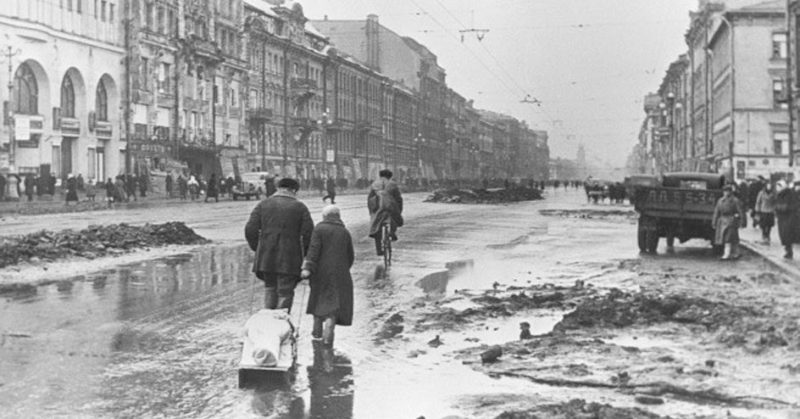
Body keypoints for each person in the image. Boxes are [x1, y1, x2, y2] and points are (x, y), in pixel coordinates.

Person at [245, 177, 313, 311]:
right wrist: (305, 255)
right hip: (289, 258)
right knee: (285, 291)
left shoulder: (263, 204)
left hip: (266, 257)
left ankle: (269, 323)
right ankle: (281, 322)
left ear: (278, 188)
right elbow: (309, 234)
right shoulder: (300, 207)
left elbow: (250, 229)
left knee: (270, 288)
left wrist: (258, 248)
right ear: (293, 190)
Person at [300, 205, 354, 347]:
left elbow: (313, 251)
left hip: (320, 273)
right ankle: (328, 338)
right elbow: (350, 256)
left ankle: (317, 334)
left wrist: (308, 268)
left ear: (324, 216)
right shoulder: (344, 232)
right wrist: (342, 269)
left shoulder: (319, 229)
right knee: (333, 306)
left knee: (318, 301)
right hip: (340, 274)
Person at [712, 184, 746, 260]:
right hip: (722, 221)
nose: (726, 193)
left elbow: (740, 211)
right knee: (727, 238)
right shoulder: (720, 201)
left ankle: (727, 254)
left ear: (731, 192)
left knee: (729, 238)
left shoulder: (735, 200)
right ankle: (736, 253)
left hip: (731, 220)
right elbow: (716, 212)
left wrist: (742, 222)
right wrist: (714, 222)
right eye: (724, 191)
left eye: (728, 191)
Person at [775, 180, 800, 259]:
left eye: (778, 187)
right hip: (782, 218)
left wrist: (782, 207)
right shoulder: (779, 194)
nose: (777, 188)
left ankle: (789, 252)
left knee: (789, 235)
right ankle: (788, 251)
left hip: (790, 218)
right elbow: (776, 204)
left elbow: (794, 205)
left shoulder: (790, 194)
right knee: (784, 235)